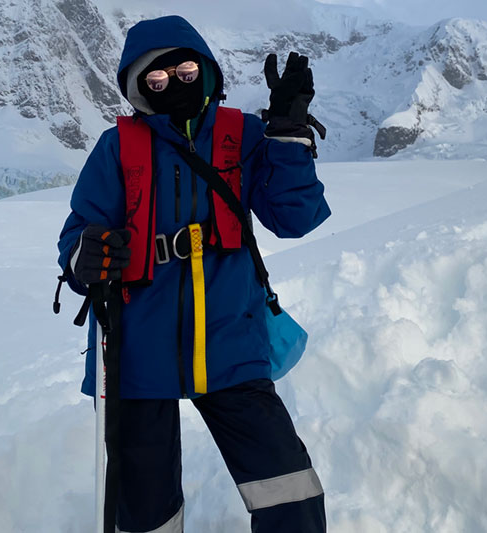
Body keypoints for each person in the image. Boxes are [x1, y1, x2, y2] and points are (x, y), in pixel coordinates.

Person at [57, 14, 330, 533]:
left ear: (204, 69)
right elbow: (76, 238)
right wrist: (83, 256)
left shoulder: (244, 136)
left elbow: (295, 219)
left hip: (230, 339)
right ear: (137, 87)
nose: (172, 84)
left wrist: (290, 137)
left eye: (183, 70)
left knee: (286, 486)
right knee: (146, 506)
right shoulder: (117, 148)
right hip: (135, 349)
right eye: (154, 80)